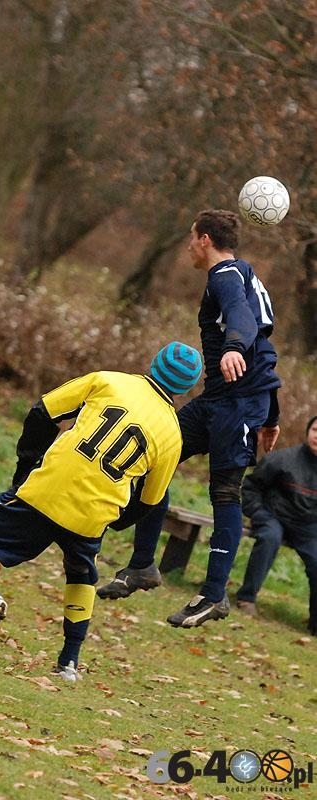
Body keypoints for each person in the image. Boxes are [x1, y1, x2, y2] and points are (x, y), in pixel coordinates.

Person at [0, 341, 202, 681]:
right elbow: (150, 501)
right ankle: (68, 663)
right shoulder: (173, 435)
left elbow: (42, 411)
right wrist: (115, 521)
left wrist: (26, 467)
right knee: (82, 575)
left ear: (154, 363)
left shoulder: (109, 380)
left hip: (46, 489)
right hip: (93, 514)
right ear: (186, 388)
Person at [97, 208, 282, 630]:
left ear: (205, 240)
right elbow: (265, 350)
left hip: (238, 403)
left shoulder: (225, 276)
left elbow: (243, 321)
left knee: (225, 492)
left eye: (191, 237)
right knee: (153, 456)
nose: (187, 246)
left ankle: (213, 595)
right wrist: (273, 415)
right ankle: (142, 565)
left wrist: (232, 347)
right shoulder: (243, 274)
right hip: (221, 399)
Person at [236, 416, 317, 635]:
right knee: (269, 538)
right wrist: (258, 513)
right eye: (315, 430)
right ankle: (246, 598)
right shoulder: (282, 459)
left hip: (308, 528)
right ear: (308, 432)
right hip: (274, 518)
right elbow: (251, 487)